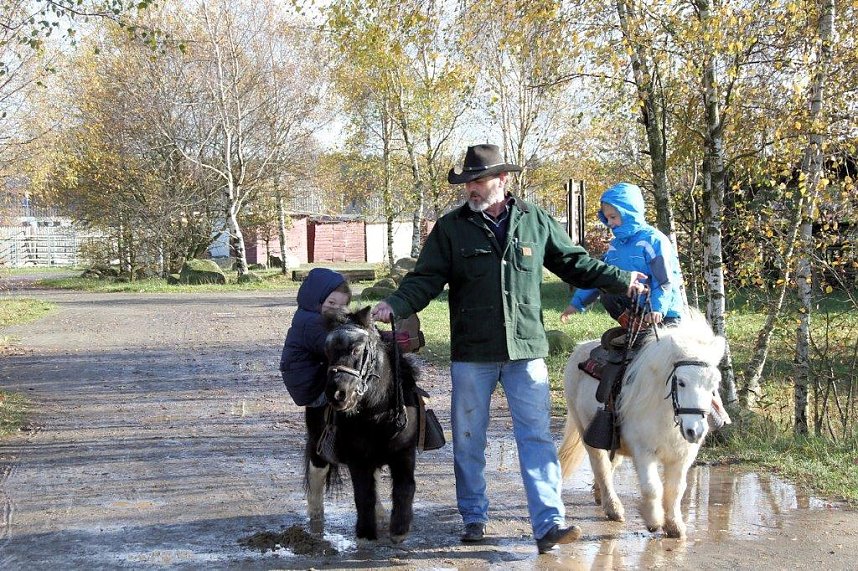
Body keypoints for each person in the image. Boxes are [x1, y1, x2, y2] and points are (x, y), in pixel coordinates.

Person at [371, 144, 646, 554]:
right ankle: (474, 517)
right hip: (473, 355)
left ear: (503, 180)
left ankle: (549, 522)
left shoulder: (535, 221)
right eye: (467, 183)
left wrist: (620, 279)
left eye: (479, 181)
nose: (472, 189)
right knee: (469, 438)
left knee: (535, 437)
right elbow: (424, 280)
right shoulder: (450, 229)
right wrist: (395, 304)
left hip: (526, 353)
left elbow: (574, 262)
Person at [560, 182, 684, 337]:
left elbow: (663, 279)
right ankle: (637, 331)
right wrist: (577, 303)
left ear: (629, 213)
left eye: (613, 217)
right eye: (606, 218)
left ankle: (643, 333)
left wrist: (657, 309)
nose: (609, 223)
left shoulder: (653, 240)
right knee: (609, 291)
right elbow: (602, 275)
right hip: (638, 308)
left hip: (664, 313)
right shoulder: (616, 246)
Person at [279, 268, 352, 409]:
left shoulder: (308, 315)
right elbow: (339, 346)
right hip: (312, 389)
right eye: (331, 303)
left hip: (310, 381)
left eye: (343, 306)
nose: (336, 309)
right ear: (316, 298)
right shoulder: (313, 323)